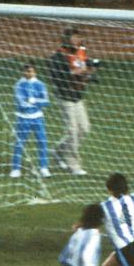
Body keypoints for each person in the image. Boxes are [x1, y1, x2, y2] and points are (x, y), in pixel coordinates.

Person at [47, 27, 95, 175]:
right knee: (72, 130)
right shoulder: (58, 57)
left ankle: (57, 151)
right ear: (66, 40)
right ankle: (73, 164)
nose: (76, 41)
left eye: (78, 38)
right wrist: (75, 74)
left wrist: (90, 72)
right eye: (73, 38)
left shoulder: (81, 51)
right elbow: (57, 78)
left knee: (84, 128)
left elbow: (88, 65)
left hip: (78, 96)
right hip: (65, 97)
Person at [10, 62, 51, 178]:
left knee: (42, 142)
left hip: (38, 118)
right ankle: (16, 168)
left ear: (35, 72)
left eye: (31, 71)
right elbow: (21, 102)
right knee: (19, 143)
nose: (29, 73)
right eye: (27, 71)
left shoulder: (40, 85)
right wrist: (34, 103)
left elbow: (46, 101)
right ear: (23, 72)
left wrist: (33, 101)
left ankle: (43, 167)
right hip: (23, 118)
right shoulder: (19, 85)